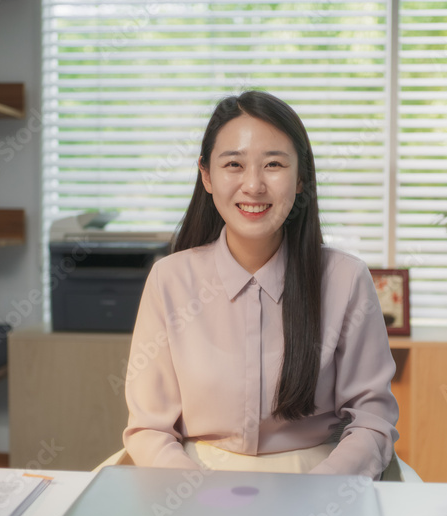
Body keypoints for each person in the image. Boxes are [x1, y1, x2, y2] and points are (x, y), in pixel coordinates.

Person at [122, 91, 399, 479]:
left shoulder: (346, 280)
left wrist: (319, 496)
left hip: (318, 477)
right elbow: (149, 427)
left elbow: (372, 421)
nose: (253, 185)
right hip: (191, 479)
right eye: (233, 164)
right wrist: (191, 496)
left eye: (273, 165)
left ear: (300, 178)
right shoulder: (169, 279)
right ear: (206, 175)